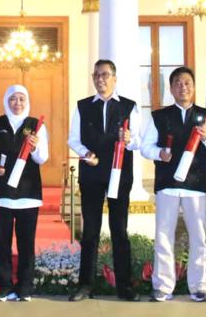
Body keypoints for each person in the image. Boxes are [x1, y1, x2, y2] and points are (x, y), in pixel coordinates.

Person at [139, 66, 206, 302]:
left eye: (187, 83)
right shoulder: (159, 116)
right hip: (167, 183)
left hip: (195, 185)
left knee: (199, 237)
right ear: (171, 88)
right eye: (177, 83)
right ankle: (163, 286)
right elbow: (145, 147)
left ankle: (199, 287)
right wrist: (159, 153)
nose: (182, 87)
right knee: (164, 236)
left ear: (193, 87)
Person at [67, 58, 141, 302]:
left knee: (119, 230)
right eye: (97, 75)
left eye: (105, 74)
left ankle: (124, 287)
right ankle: (86, 285)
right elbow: (73, 139)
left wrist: (130, 139)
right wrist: (85, 153)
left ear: (115, 78)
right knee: (90, 231)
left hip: (120, 175)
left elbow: (140, 141)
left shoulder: (129, 106)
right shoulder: (83, 106)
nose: (100, 79)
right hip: (91, 176)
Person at [0, 85, 48, 302]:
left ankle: (25, 287)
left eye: (21, 99)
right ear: (6, 101)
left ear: (27, 102)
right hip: (2, 193)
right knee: (2, 243)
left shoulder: (36, 126)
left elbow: (43, 158)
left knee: (26, 244)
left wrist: (35, 148)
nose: (17, 103)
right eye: (13, 99)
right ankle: (5, 286)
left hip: (28, 194)